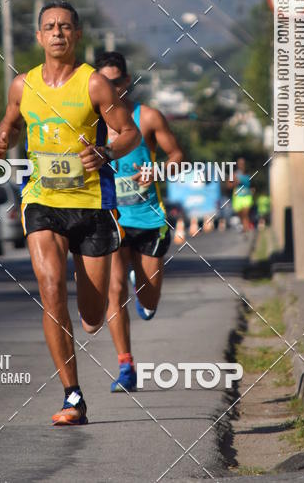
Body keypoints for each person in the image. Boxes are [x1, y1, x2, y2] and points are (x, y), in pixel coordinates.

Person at [0, 2, 140, 425]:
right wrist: (2, 139)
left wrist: (107, 150)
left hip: (91, 206)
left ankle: (88, 304)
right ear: (38, 37)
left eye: (65, 27)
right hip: (42, 202)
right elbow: (12, 122)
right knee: (52, 289)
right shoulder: (23, 85)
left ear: (76, 35)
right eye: (49, 27)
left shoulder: (94, 85)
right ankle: (72, 395)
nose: (57, 33)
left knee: (92, 316)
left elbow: (130, 132)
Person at [95, 51, 185, 393]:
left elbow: (177, 155)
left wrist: (158, 169)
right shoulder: (91, 121)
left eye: (115, 81)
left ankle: (143, 290)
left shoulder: (146, 117)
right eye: (104, 82)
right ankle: (126, 365)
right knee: (113, 289)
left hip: (148, 218)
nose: (110, 88)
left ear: (127, 81)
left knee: (149, 300)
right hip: (111, 218)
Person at [232, 157, 253, 232]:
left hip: (247, 196)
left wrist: (253, 189)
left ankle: (246, 227)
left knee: (245, 212)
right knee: (241, 214)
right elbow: (228, 185)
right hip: (238, 196)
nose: (241, 165)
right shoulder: (235, 174)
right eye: (240, 164)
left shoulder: (248, 173)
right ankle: (243, 225)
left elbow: (252, 184)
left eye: (243, 163)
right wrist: (235, 183)